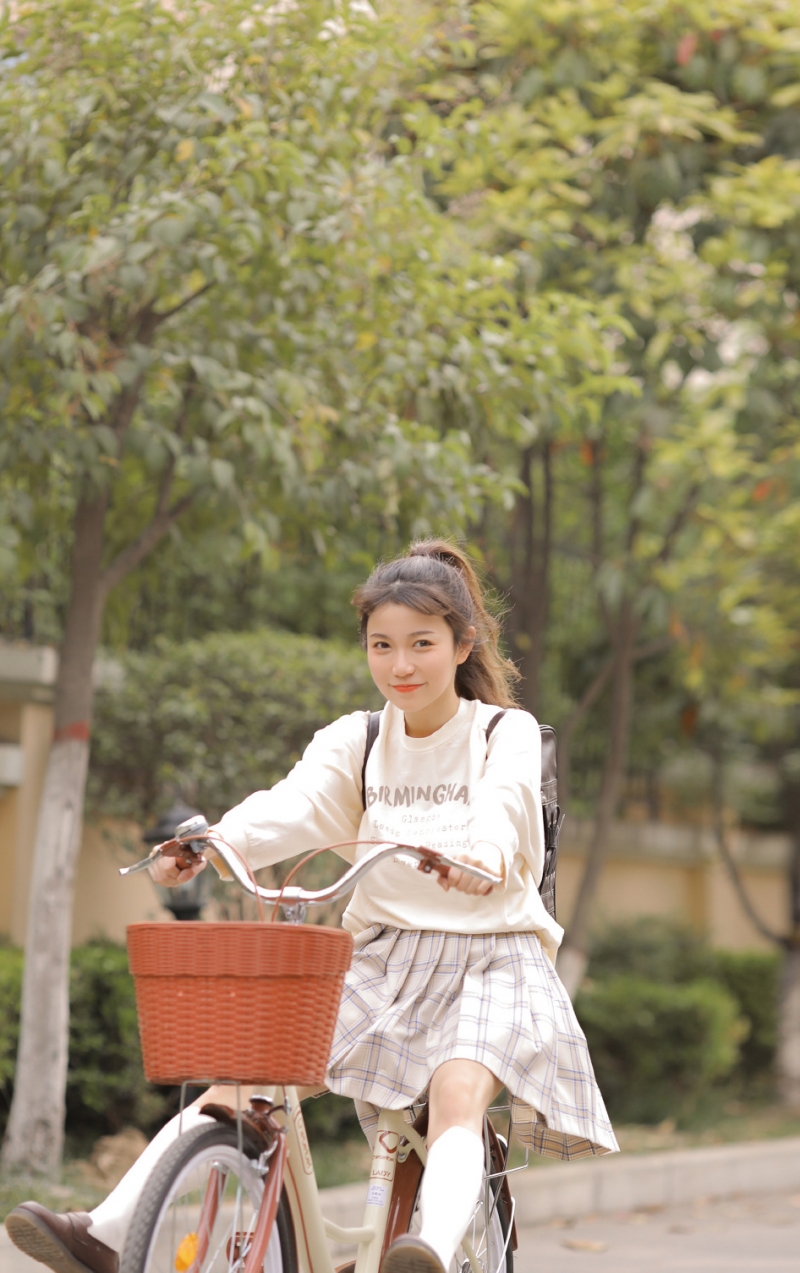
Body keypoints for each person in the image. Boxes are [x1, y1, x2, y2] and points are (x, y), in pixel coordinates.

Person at [6, 540, 618, 1273]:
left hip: (493, 954)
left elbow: (505, 806)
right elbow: (288, 808)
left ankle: (430, 1248)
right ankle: (102, 1235)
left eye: (422, 644)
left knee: (458, 1092)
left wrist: (482, 860)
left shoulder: (501, 733)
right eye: (382, 645)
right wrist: (208, 841)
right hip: (384, 954)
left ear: (463, 643)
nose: (401, 665)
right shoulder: (357, 740)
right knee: (241, 1080)